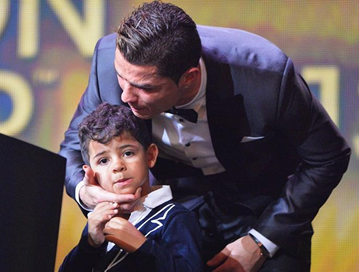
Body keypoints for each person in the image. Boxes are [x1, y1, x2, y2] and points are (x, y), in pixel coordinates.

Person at [59, 1, 351, 271]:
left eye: (145, 87)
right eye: (122, 78)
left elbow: (328, 158)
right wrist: (87, 194)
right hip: (175, 211)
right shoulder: (109, 66)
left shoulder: (267, 79)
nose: (126, 96)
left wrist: (262, 240)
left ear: (189, 78)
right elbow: (72, 149)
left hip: (264, 208)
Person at [59, 103, 202, 272]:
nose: (117, 166)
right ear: (91, 172)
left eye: (128, 153)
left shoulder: (174, 218)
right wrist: (89, 244)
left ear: (150, 156)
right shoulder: (99, 221)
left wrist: (141, 246)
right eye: (103, 160)